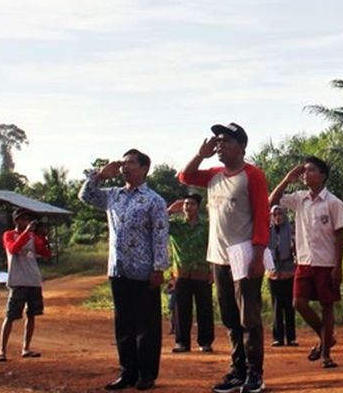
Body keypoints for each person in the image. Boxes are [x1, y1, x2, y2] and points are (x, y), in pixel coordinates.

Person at [179, 123, 270, 393]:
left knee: (249, 319)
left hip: (244, 256)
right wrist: (200, 154)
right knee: (230, 318)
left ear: (242, 147)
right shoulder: (213, 175)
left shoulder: (252, 175)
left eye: (226, 141)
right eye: (217, 141)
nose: (219, 145)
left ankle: (255, 374)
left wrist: (258, 255)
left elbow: (262, 217)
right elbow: (184, 176)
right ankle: (237, 371)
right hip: (218, 258)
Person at [80, 149, 171, 391]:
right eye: (123, 163)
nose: (124, 167)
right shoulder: (113, 196)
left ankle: (146, 374)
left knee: (147, 326)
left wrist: (159, 268)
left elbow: (160, 236)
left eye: (130, 163)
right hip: (118, 269)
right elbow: (85, 196)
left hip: (144, 271)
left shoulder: (154, 200)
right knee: (124, 325)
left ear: (144, 168)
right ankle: (127, 372)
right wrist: (100, 175)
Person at [269, 156, 343, 368]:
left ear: (322, 175)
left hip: (326, 261)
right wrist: (286, 179)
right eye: (304, 171)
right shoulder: (299, 198)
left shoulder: (334, 203)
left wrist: (338, 266)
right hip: (304, 260)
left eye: (310, 170)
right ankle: (326, 337)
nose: (305, 174)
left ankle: (326, 354)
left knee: (326, 305)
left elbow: (340, 236)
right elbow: (272, 201)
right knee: (298, 303)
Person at [0, 208, 52, 362]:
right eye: (23, 219)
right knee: (10, 316)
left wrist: (44, 237)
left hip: (33, 280)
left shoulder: (33, 237)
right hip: (18, 280)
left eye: (28, 220)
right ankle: (2, 351)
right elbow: (13, 249)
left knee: (32, 315)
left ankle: (26, 348)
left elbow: (46, 254)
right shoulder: (9, 235)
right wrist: (27, 232)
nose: (26, 222)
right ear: (16, 221)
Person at [168, 192, 215, 354]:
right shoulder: (175, 225)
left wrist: (213, 271)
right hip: (181, 273)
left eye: (192, 204)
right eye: (186, 204)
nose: (188, 207)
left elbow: (213, 248)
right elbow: (156, 223)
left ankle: (206, 342)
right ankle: (182, 342)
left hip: (202, 273)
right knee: (181, 309)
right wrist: (169, 211)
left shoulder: (207, 226)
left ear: (198, 206)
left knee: (205, 308)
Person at [266, 205, 297, 348]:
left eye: (280, 214)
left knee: (290, 306)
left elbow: (296, 249)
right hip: (273, 272)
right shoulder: (268, 231)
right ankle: (278, 337)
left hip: (289, 271)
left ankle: (291, 338)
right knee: (276, 306)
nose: (278, 217)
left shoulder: (291, 230)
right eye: (275, 214)